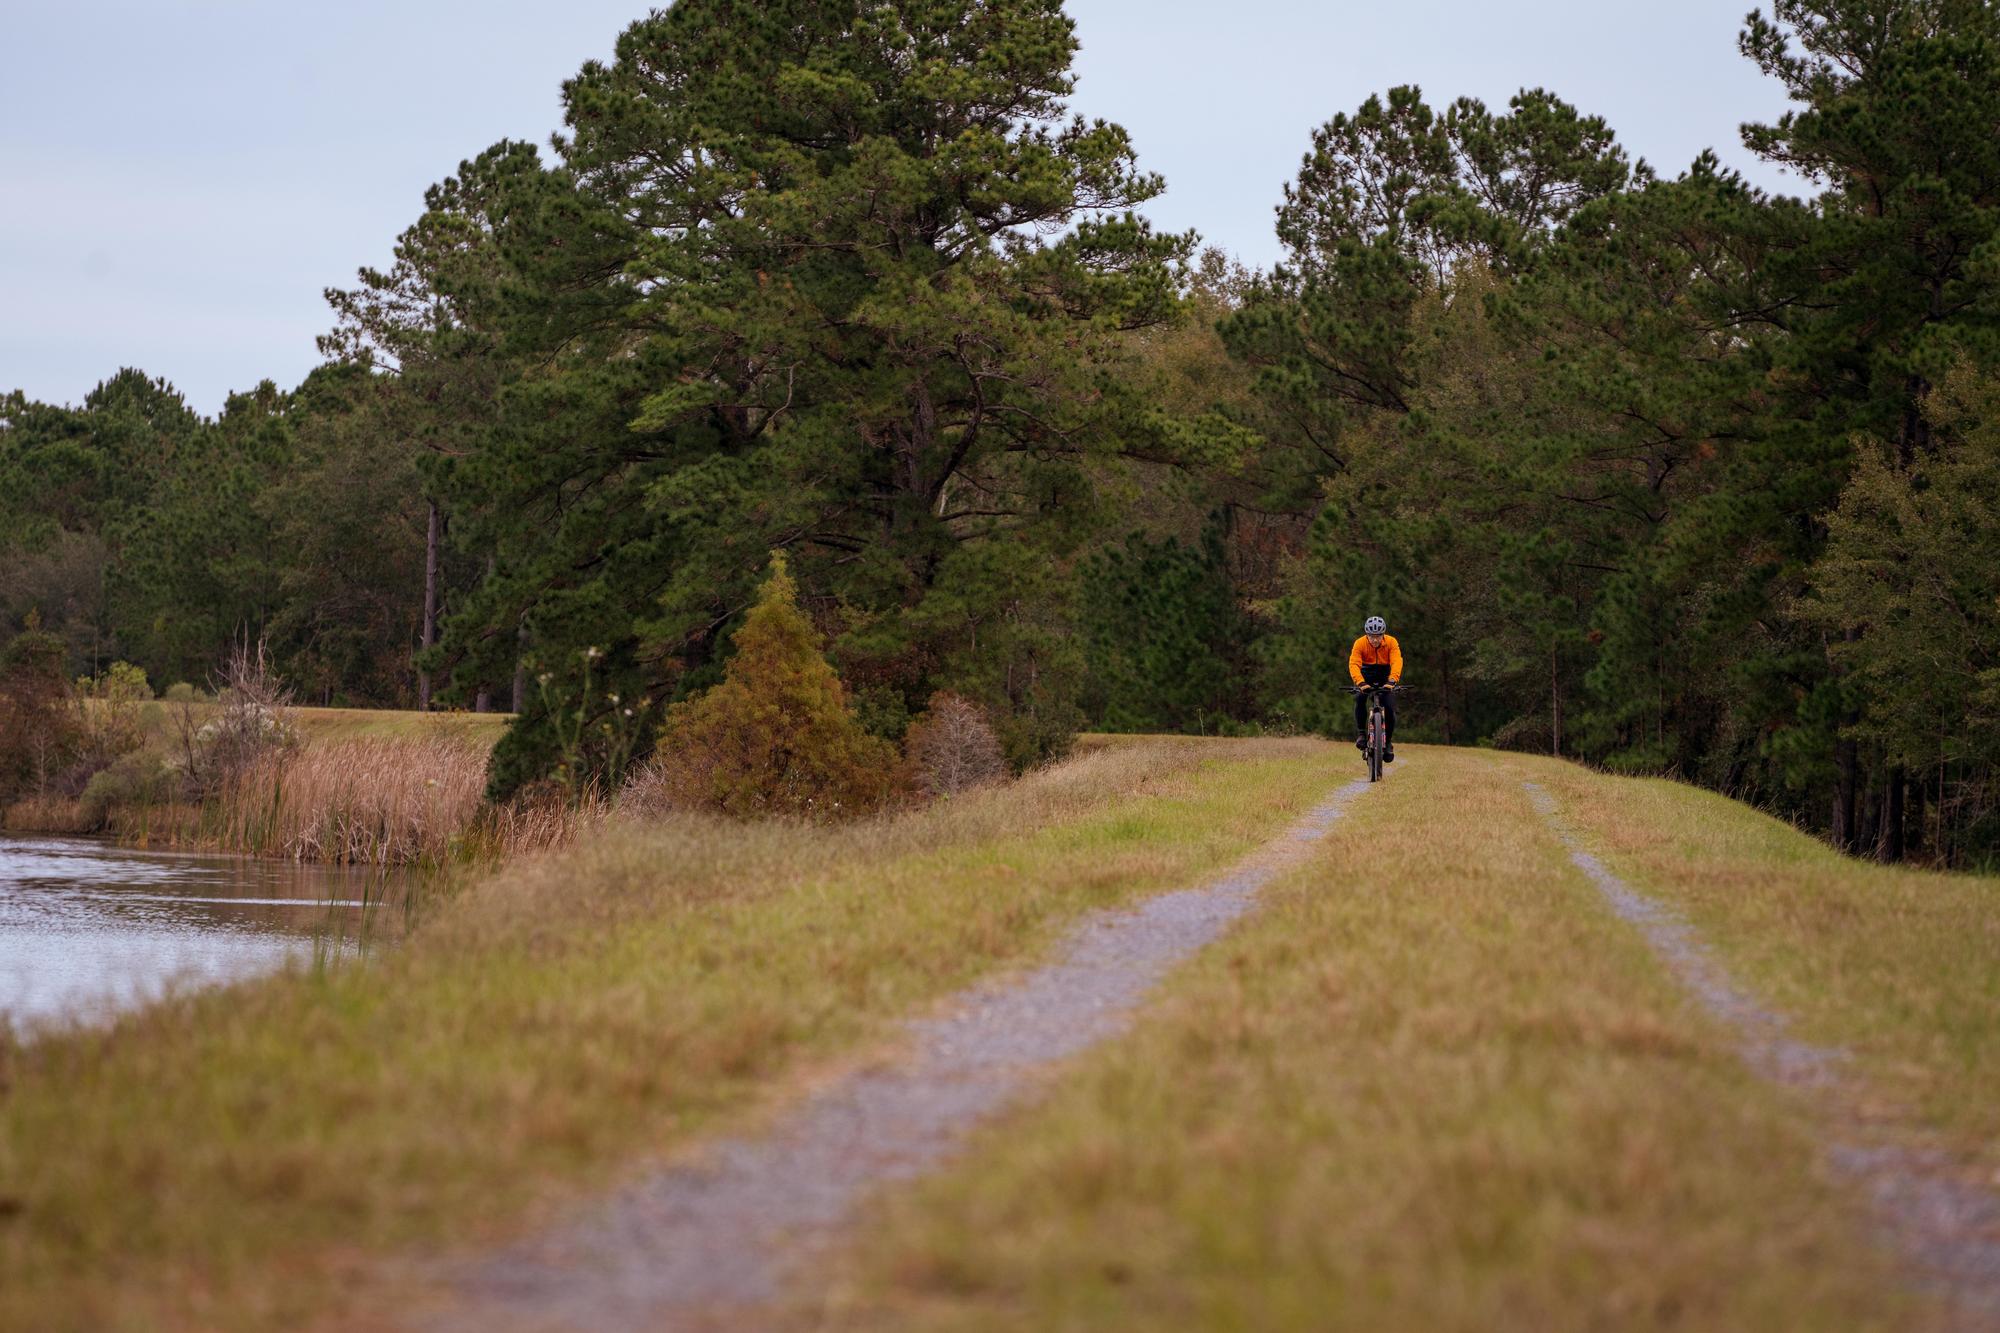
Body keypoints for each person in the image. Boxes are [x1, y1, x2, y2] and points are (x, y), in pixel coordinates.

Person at [1348, 615, 1402, 762]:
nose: (1375, 640)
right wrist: (1360, 683)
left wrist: (1392, 681)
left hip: (1385, 675)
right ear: (1367, 635)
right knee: (1359, 698)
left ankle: (1388, 742)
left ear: (1383, 634)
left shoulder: (1391, 642)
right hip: (1366, 674)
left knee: (1390, 707)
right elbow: (1354, 664)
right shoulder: (1359, 643)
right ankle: (1361, 734)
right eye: (1372, 636)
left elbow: (1397, 662)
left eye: (1378, 636)